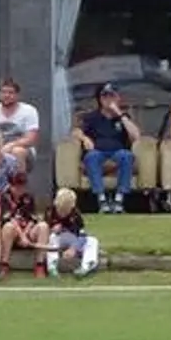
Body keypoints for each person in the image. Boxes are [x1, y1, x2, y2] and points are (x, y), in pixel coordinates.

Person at [73, 83, 141, 213]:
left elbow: (136, 136)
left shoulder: (123, 117)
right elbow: (75, 131)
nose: (108, 99)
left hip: (118, 152)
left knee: (127, 156)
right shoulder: (91, 117)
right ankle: (102, 199)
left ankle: (119, 199)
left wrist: (119, 114)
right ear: (99, 99)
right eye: (105, 96)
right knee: (91, 156)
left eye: (112, 96)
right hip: (98, 151)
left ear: (118, 98)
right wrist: (84, 138)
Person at [0, 169, 49, 277]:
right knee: (8, 227)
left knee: (43, 226)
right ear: (11, 185)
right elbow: (9, 218)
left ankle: (39, 264)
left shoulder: (29, 196)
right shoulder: (5, 197)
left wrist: (25, 234)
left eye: (22, 186)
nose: (20, 190)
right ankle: (4, 264)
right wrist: (21, 236)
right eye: (17, 187)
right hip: (13, 233)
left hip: (27, 231)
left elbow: (33, 218)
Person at [43, 188, 101, 277]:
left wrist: (74, 248)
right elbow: (43, 229)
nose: (63, 213)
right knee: (52, 237)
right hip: (57, 239)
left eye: (66, 210)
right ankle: (52, 266)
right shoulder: (50, 212)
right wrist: (51, 230)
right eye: (61, 210)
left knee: (92, 241)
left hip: (73, 239)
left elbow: (82, 234)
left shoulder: (75, 214)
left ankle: (86, 266)